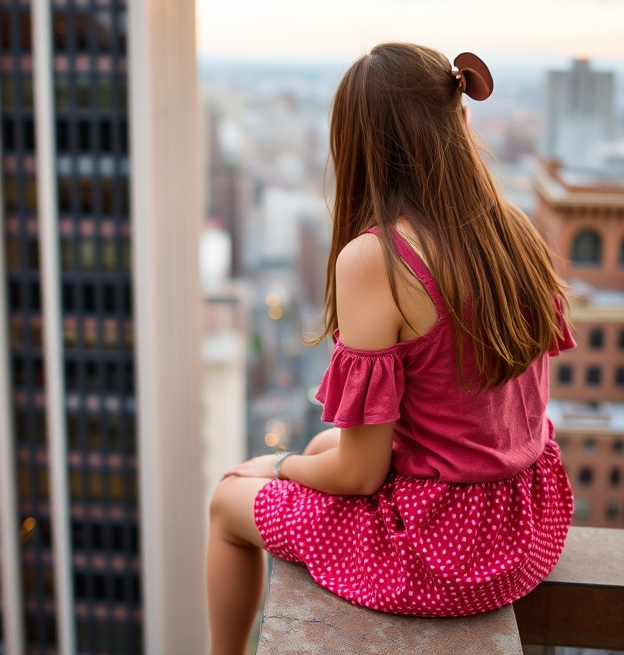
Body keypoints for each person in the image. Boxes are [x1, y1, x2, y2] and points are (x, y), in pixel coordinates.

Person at [206, 42, 575, 655]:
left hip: (445, 551)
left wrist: (273, 468)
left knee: (227, 500)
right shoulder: (512, 228)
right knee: (324, 442)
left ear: (360, 144)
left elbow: (360, 473)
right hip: (525, 521)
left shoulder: (379, 258)